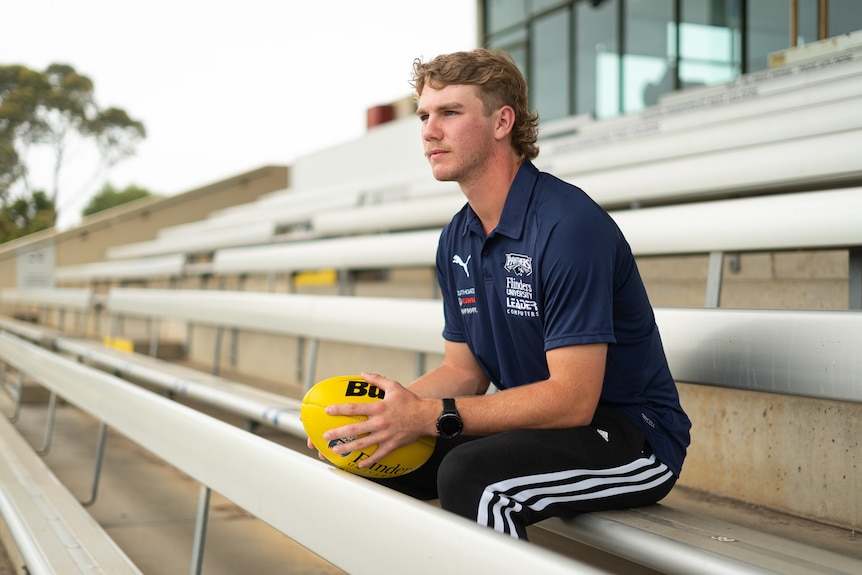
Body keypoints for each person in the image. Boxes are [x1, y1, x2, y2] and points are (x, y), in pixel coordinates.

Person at [311, 48, 691, 540]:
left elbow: (573, 401)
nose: (429, 130)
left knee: (470, 476)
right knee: (372, 458)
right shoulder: (456, 238)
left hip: (630, 438)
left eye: (450, 112)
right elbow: (464, 372)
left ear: (501, 122)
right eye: (425, 115)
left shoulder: (567, 226)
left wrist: (430, 415)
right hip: (541, 426)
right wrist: (371, 421)